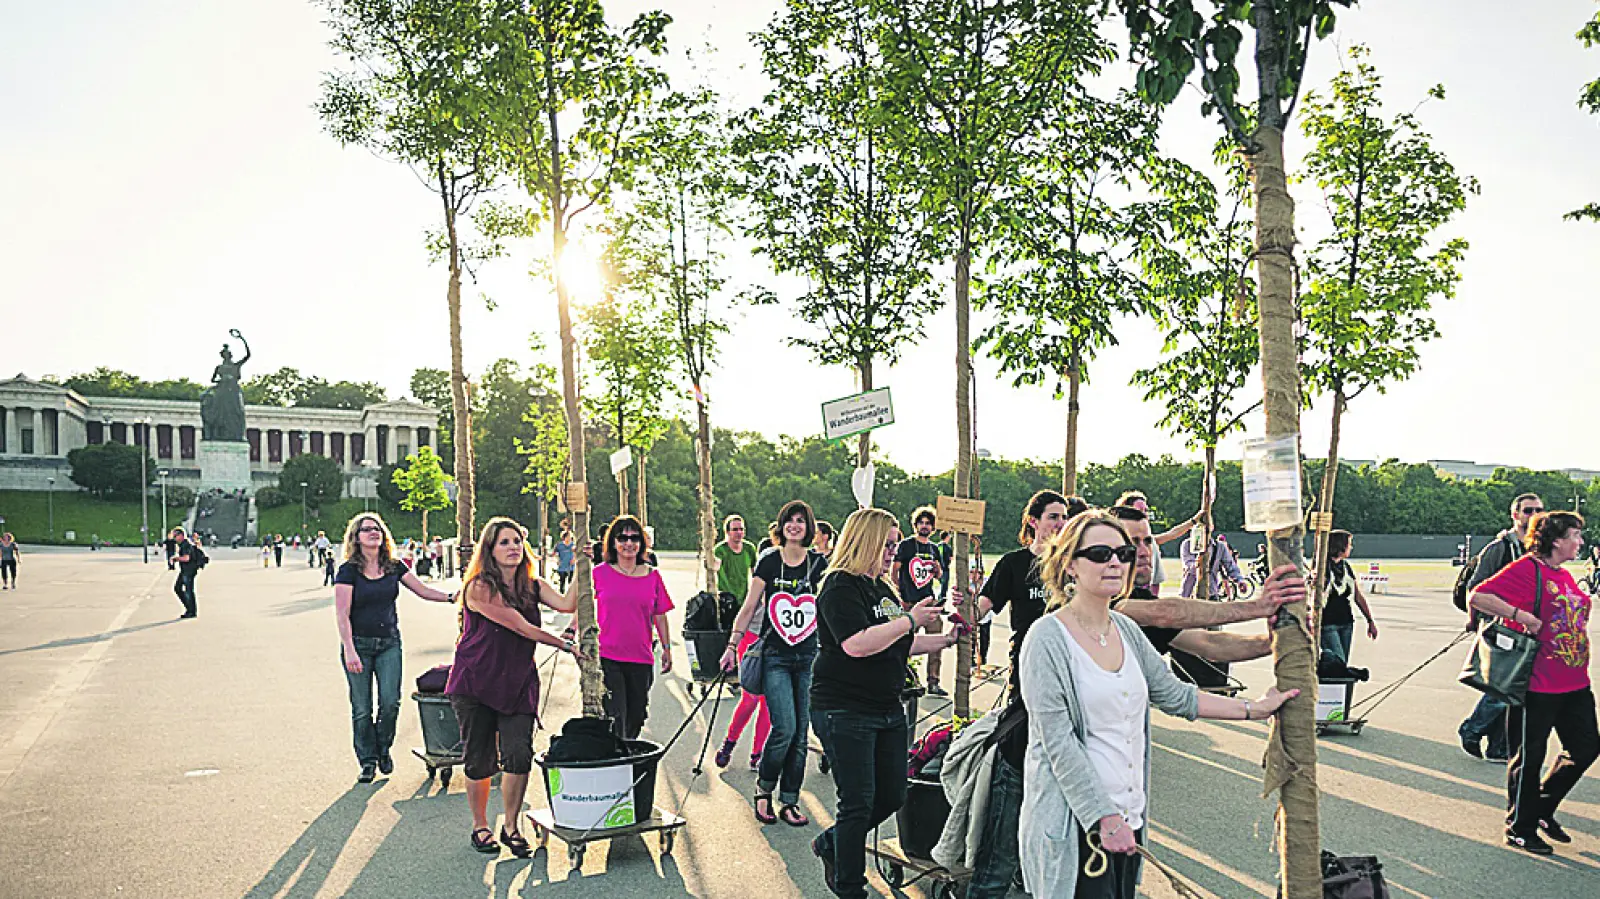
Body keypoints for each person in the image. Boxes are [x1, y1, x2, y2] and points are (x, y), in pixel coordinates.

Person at [1018, 511, 1297, 898]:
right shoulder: (1046, 638)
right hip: (1077, 826)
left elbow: (1176, 695)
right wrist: (1102, 816)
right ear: (1069, 564)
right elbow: (1058, 743)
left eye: (1123, 552)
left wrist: (1254, 709)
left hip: (1127, 819)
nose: (1115, 562)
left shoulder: (1126, 630)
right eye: (1099, 553)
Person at [809, 508, 961, 899]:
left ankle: (833, 842)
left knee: (893, 794)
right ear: (865, 541)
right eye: (888, 544)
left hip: (886, 707)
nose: (893, 552)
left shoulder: (881, 589)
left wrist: (945, 640)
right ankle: (850, 886)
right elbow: (856, 643)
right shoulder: (839, 586)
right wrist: (909, 620)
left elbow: (900, 640)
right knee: (857, 801)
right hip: (843, 708)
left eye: (895, 544)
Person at [446, 517, 581, 856]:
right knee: (479, 759)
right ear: (490, 549)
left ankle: (511, 825)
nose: (513, 547)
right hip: (476, 680)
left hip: (518, 680)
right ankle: (481, 826)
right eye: (504, 542)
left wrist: (583, 562)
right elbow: (519, 626)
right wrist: (564, 645)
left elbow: (567, 604)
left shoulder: (531, 584)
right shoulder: (478, 586)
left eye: (518, 541)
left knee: (519, 753)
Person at [1468, 510, 1598, 856]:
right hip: (1537, 684)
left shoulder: (1564, 575)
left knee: (1586, 748)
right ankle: (1520, 827)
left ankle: (1541, 807)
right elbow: (1478, 596)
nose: (1580, 542)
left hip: (1574, 682)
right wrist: (1521, 615)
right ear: (1556, 540)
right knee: (1529, 757)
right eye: (1574, 535)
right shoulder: (1528, 569)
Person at [965, 489, 1072, 899]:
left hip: (1071, 682)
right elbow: (983, 609)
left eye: (1064, 517)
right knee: (1019, 772)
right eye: (1053, 517)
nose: (1060, 524)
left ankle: (1033, 872)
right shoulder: (1014, 564)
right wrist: (965, 606)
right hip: (1027, 682)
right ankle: (997, 875)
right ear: (1033, 521)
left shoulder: (1074, 565)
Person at [720, 501, 828, 827]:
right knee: (785, 728)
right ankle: (764, 789)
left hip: (808, 656)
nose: (794, 526)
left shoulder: (818, 564)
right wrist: (731, 644)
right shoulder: (769, 561)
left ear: (809, 527)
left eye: (801, 521)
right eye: (789, 521)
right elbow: (750, 605)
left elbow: (830, 606)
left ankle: (790, 800)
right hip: (776, 657)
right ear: (781, 526)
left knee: (800, 736)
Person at [333, 513, 456, 782]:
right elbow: (342, 614)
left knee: (390, 702)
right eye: (366, 530)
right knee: (362, 707)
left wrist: (450, 597)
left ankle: (383, 749)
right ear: (356, 537)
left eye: (377, 528)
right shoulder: (348, 571)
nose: (373, 532)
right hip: (359, 646)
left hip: (389, 643)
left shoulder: (393, 566)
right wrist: (349, 650)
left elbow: (422, 590)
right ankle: (367, 761)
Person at [1459, 493, 1542, 763]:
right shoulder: (1500, 548)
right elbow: (1475, 586)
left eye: (1539, 510)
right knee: (1507, 685)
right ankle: (1473, 728)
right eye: (1528, 510)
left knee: (1511, 686)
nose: (1534, 515)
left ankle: (1498, 746)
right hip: (1501, 625)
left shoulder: (1536, 549)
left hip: (1527, 627)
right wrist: (1473, 620)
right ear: (1515, 515)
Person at [593, 515, 673, 740]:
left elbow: (660, 614)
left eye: (634, 538)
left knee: (637, 716)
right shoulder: (599, 573)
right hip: (608, 655)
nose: (629, 543)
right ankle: (617, 764)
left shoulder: (652, 576)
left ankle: (626, 756)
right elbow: (583, 607)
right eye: (622, 538)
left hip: (641, 657)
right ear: (613, 542)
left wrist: (667, 649)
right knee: (615, 715)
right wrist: (573, 631)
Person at [892, 506, 948, 696]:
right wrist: (898, 596)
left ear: (933, 527)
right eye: (921, 523)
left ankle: (933, 681)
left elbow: (940, 575)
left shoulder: (934, 548)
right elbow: (895, 570)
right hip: (909, 602)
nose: (924, 526)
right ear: (915, 525)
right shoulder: (906, 545)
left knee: (936, 641)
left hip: (929, 600)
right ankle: (903, 678)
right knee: (904, 642)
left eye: (928, 523)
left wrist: (936, 568)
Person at [1114, 491, 1199, 596]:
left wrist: (1194, 521)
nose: (1144, 552)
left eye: (1146, 510)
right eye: (1140, 510)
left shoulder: (1151, 540)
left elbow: (1173, 533)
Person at [1319, 530, 1378, 666]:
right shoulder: (1322, 567)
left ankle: (1343, 687)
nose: (1351, 547)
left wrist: (1370, 621)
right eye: (1349, 544)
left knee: (1343, 664)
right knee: (1337, 662)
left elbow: (1358, 597)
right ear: (1340, 546)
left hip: (1346, 622)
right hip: (1327, 623)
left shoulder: (1346, 567)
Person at [1179, 530, 1245, 599]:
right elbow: (1189, 567)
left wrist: (1240, 581)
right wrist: (1199, 562)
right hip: (1189, 595)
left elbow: (1231, 567)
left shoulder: (1219, 547)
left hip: (1211, 593)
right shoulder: (1187, 545)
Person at [713, 515, 758, 598]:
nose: (739, 532)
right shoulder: (720, 550)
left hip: (744, 598)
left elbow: (755, 574)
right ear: (727, 532)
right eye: (735, 529)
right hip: (725, 598)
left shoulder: (749, 548)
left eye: (741, 529)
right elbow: (715, 567)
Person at [173, 528, 206, 619]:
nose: (174, 538)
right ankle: (189, 609)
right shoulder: (184, 544)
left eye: (176, 536)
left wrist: (176, 559)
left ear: (181, 535)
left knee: (188, 590)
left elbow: (187, 558)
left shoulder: (186, 545)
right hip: (186, 570)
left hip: (189, 570)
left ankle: (191, 611)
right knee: (178, 588)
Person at [554, 520, 576, 592]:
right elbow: (555, 553)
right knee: (562, 582)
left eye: (570, 537)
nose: (569, 538)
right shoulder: (559, 545)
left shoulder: (573, 545)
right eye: (567, 537)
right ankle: (562, 595)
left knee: (571, 582)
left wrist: (574, 559)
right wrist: (557, 560)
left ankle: (570, 595)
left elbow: (577, 553)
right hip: (562, 566)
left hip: (571, 566)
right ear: (564, 537)